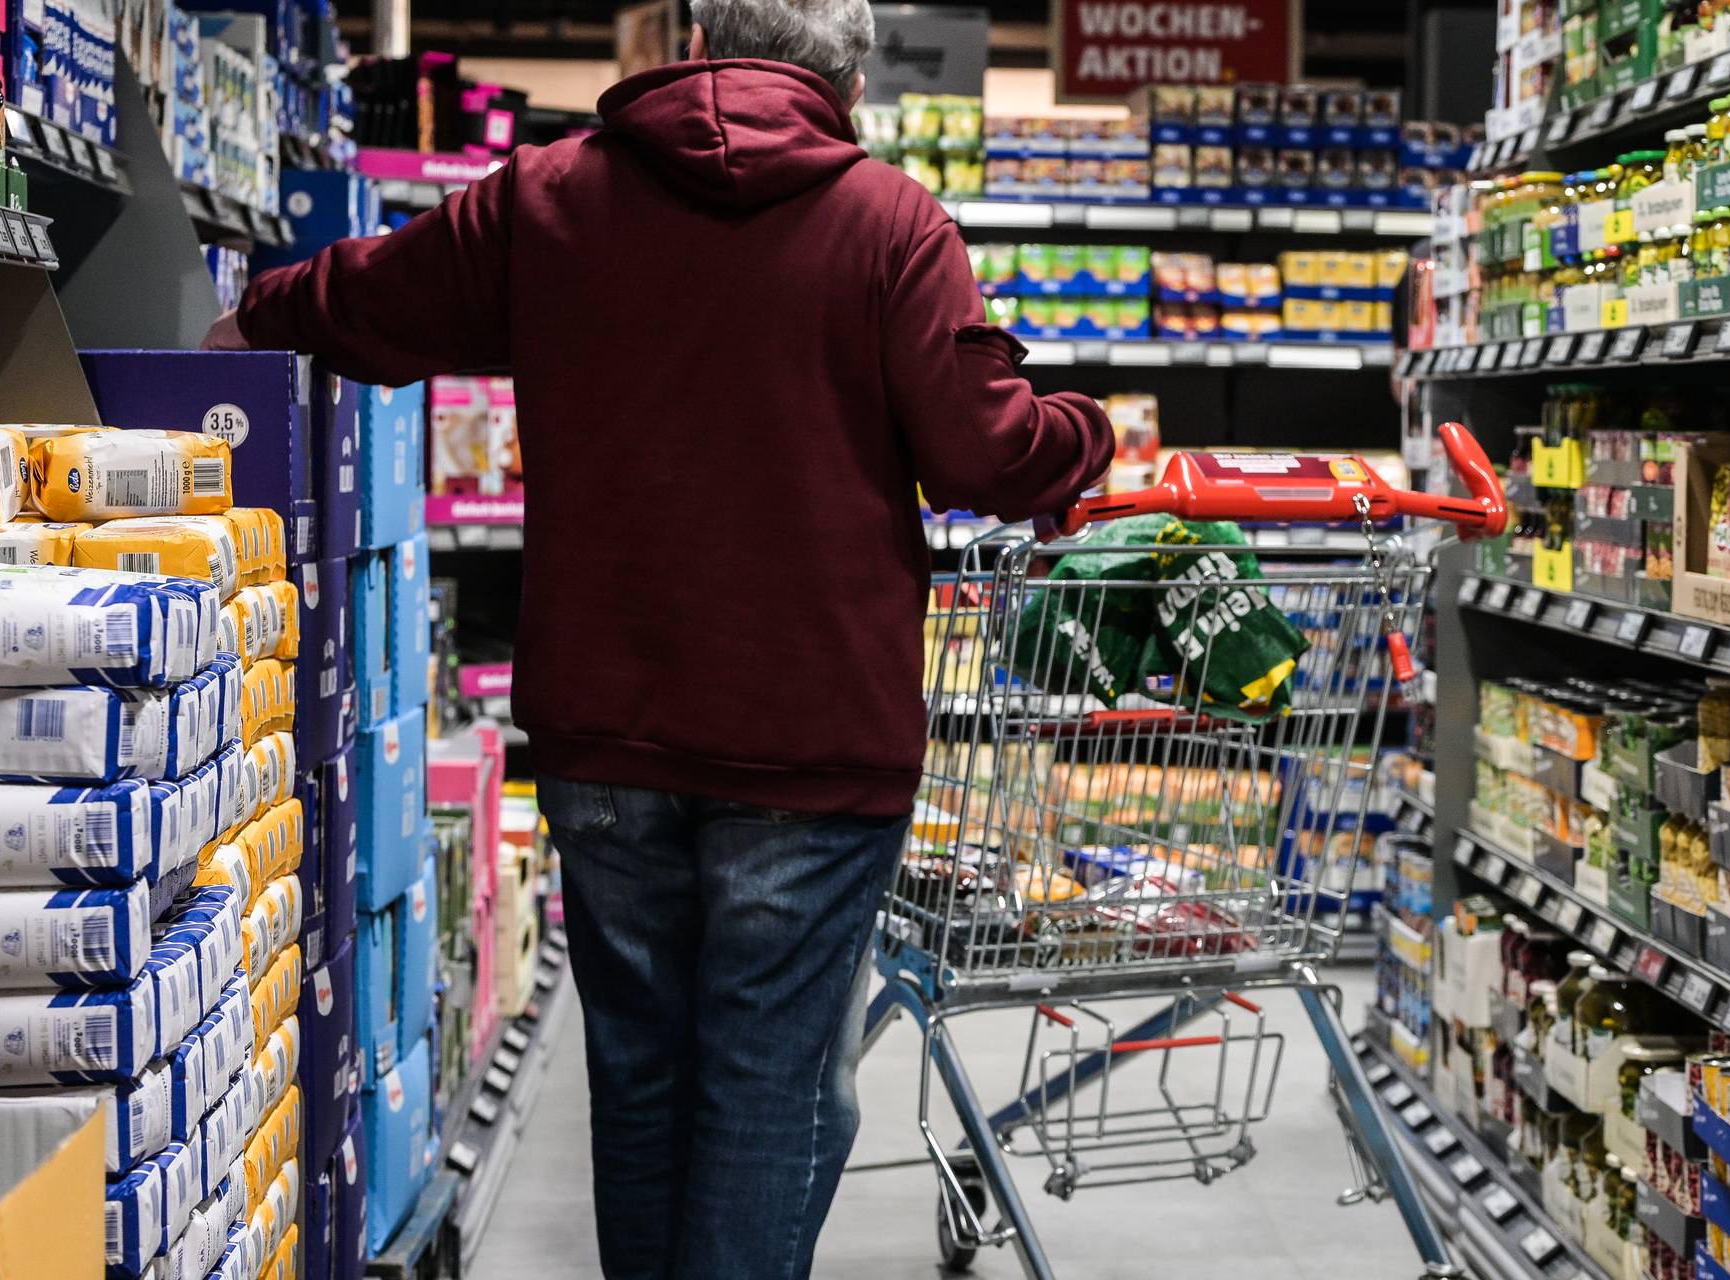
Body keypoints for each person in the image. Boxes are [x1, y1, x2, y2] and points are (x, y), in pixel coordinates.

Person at [209, 0, 1115, 1273]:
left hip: (609, 734)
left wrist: (250, 319)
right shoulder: (890, 223)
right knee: (769, 1095)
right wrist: (1090, 431)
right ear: (849, 78)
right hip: (813, 742)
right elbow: (987, 448)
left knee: (638, 1085)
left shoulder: (551, 197)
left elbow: (376, 296)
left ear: (691, 44)